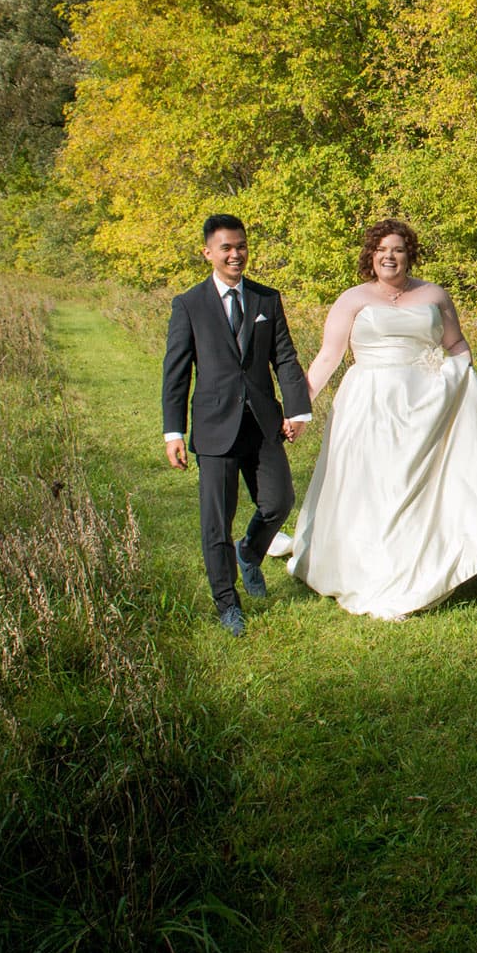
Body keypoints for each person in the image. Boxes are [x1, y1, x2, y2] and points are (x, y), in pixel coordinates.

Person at [270, 219, 477, 619]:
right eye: (382, 249)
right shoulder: (352, 299)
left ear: (409, 254)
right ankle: (369, 569)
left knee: (419, 487)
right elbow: (328, 357)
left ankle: (420, 570)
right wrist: (299, 409)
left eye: (398, 249)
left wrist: (460, 383)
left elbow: (455, 344)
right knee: (375, 486)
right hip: (369, 405)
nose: (390, 256)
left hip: (426, 404)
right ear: (371, 255)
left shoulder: (434, 294)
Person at [162, 214, 312, 637]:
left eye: (241, 245)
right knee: (216, 521)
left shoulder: (267, 299)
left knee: (279, 502)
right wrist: (173, 431)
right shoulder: (189, 305)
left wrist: (297, 410)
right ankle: (227, 602)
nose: (235, 254)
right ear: (208, 252)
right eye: (226, 247)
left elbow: (283, 357)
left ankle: (250, 552)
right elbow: (176, 373)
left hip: (263, 424)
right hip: (214, 428)